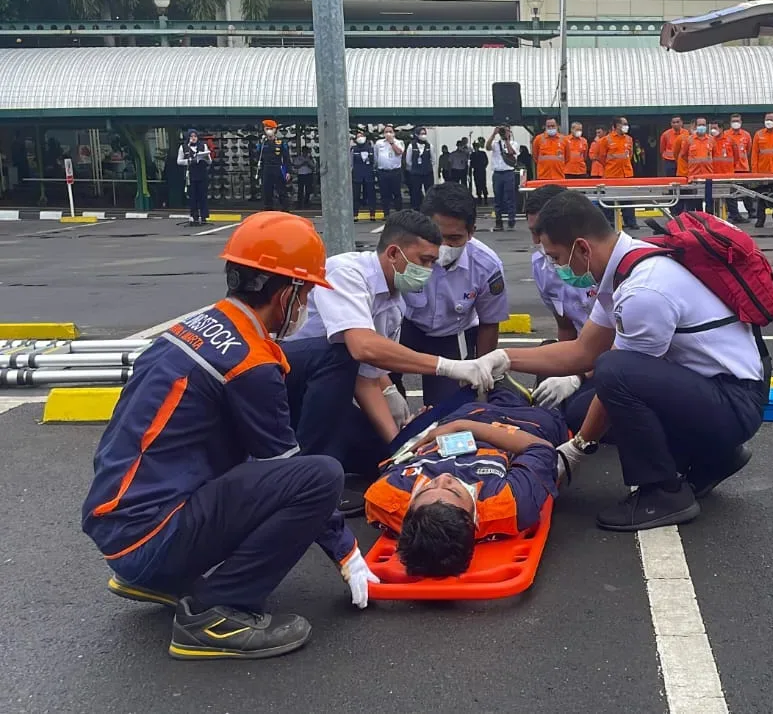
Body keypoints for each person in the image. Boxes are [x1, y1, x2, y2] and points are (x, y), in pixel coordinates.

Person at [82, 212, 376, 661]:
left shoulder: (191, 330)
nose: (307, 305)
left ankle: (158, 578)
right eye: (308, 293)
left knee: (322, 355)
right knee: (319, 476)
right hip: (149, 540)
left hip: (123, 522)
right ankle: (216, 612)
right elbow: (284, 469)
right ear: (287, 294)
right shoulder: (250, 365)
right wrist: (346, 549)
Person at [475, 192, 767, 531]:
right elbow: (582, 351)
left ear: (582, 248)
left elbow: (619, 376)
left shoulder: (644, 290)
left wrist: (576, 450)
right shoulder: (625, 268)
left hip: (733, 403)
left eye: (556, 258)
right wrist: (501, 359)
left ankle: (663, 493)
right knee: (582, 406)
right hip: (715, 392)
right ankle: (713, 457)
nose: (556, 268)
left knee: (614, 371)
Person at [281, 210, 498, 507]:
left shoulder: (393, 303)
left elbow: (367, 378)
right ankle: (309, 485)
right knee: (342, 354)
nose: (429, 270)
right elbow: (361, 349)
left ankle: (314, 462)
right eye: (424, 261)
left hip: (321, 392)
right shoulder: (346, 272)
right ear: (394, 253)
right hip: (283, 381)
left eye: (432, 262)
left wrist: (398, 447)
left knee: (378, 454)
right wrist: (448, 366)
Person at [364, 386, 569, 577]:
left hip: (464, 413)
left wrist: (428, 426)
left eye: (425, 489)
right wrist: (463, 427)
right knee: (551, 395)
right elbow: (541, 449)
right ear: (474, 520)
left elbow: (401, 456)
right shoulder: (508, 502)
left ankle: (502, 386)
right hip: (525, 424)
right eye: (454, 490)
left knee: (493, 387)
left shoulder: (387, 498)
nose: (442, 478)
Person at [396, 183, 509, 408]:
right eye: (437, 236)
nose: (444, 246)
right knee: (384, 397)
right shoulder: (401, 253)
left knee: (448, 410)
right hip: (403, 328)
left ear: (471, 232)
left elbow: (489, 323)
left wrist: (482, 370)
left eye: (455, 238)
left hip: (451, 335)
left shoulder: (487, 265)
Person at [524, 184, 598, 414]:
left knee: (577, 412)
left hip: (612, 359)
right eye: (532, 232)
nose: (537, 240)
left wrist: (576, 377)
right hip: (582, 353)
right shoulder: (541, 267)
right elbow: (565, 325)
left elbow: (621, 346)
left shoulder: (601, 263)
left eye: (541, 231)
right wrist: (562, 368)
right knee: (545, 360)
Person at [595, 117, 638, 230]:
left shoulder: (629, 139)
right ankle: (610, 222)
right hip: (611, 175)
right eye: (624, 124)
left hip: (626, 174)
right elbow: (600, 157)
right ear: (617, 125)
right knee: (609, 200)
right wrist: (610, 166)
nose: (626, 126)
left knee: (628, 199)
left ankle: (631, 222)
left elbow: (630, 155)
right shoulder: (606, 140)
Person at [175, 128, 211, 226]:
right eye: (191, 136)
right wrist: (189, 161)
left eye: (195, 136)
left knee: (203, 196)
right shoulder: (183, 147)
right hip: (190, 175)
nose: (193, 138)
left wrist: (206, 158)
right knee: (193, 197)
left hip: (202, 174)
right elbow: (179, 161)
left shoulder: (203, 146)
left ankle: (204, 217)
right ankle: (194, 217)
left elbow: (210, 161)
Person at [679, 118, 716, 212]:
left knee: (709, 201)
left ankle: (709, 220)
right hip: (693, 176)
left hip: (708, 175)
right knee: (693, 201)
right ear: (695, 126)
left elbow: (714, 155)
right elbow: (683, 155)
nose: (702, 127)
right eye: (700, 125)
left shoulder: (711, 140)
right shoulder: (689, 140)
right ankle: (694, 221)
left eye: (703, 125)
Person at [724, 113, 753, 223]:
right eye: (733, 121)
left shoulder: (746, 135)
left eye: (738, 120)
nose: (736, 122)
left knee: (746, 191)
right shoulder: (726, 134)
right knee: (731, 193)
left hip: (743, 168)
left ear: (741, 122)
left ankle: (751, 212)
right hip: (730, 169)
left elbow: (748, 150)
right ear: (730, 122)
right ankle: (734, 214)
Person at [489, 126, 518, 231]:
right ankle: (498, 221)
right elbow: (487, 147)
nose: (503, 132)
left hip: (508, 172)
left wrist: (506, 140)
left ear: (509, 132)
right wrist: (493, 134)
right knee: (498, 198)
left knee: (510, 197)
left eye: (505, 130)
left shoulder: (514, 143)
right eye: (502, 131)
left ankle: (511, 220)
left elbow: (511, 152)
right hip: (497, 173)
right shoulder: (496, 143)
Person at [258, 120, 291, 212]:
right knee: (267, 191)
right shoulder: (262, 143)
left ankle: (285, 210)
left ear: (275, 130)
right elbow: (259, 157)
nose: (269, 131)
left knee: (282, 191)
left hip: (278, 168)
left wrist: (288, 171)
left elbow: (286, 158)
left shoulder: (281, 143)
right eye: (267, 129)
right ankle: (268, 210)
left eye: (271, 129)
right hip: (266, 169)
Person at [374, 124, 404, 217]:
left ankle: (399, 213)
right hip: (383, 172)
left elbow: (399, 152)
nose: (388, 134)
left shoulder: (399, 142)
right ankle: (386, 213)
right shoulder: (379, 143)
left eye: (390, 132)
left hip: (395, 171)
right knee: (384, 194)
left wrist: (392, 143)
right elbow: (376, 156)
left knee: (396, 193)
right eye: (386, 132)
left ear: (394, 133)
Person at [403, 126, 434, 211]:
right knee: (415, 191)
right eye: (421, 134)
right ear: (416, 135)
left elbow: (433, 159)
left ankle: (429, 208)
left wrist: (426, 166)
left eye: (424, 133)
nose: (423, 135)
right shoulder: (411, 146)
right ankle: (415, 208)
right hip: (415, 173)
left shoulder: (429, 145)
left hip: (427, 172)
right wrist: (415, 168)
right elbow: (408, 161)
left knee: (429, 191)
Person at [531, 117, 568, 182]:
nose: (550, 128)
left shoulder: (564, 140)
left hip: (559, 176)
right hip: (543, 177)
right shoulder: (538, 139)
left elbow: (568, 158)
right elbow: (535, 157)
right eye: (548, 126)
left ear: (557, 126)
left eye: (553, 126)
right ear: (545, 127)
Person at [351, 131, 376, 221]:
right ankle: (355, 215)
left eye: (362, 136)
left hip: (369, 174)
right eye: (358, 136)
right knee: (356, 195)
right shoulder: (354, 149)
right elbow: (351, 163)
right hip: (357, 175)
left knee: (371, 195)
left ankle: (372, 214)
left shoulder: (370, 149)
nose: (360, 138)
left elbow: (375, 161)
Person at [470, 137, 490, 205]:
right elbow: (471, 163)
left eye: (477, 147)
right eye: (475, 147)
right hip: (476, 171)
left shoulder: (482, 153)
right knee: (477, 185)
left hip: (482, 170)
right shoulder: (472, 154)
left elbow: (486, 161)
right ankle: (479, 198)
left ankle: (485, 198)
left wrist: (483, 166)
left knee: (483, 184)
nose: (476, 148)